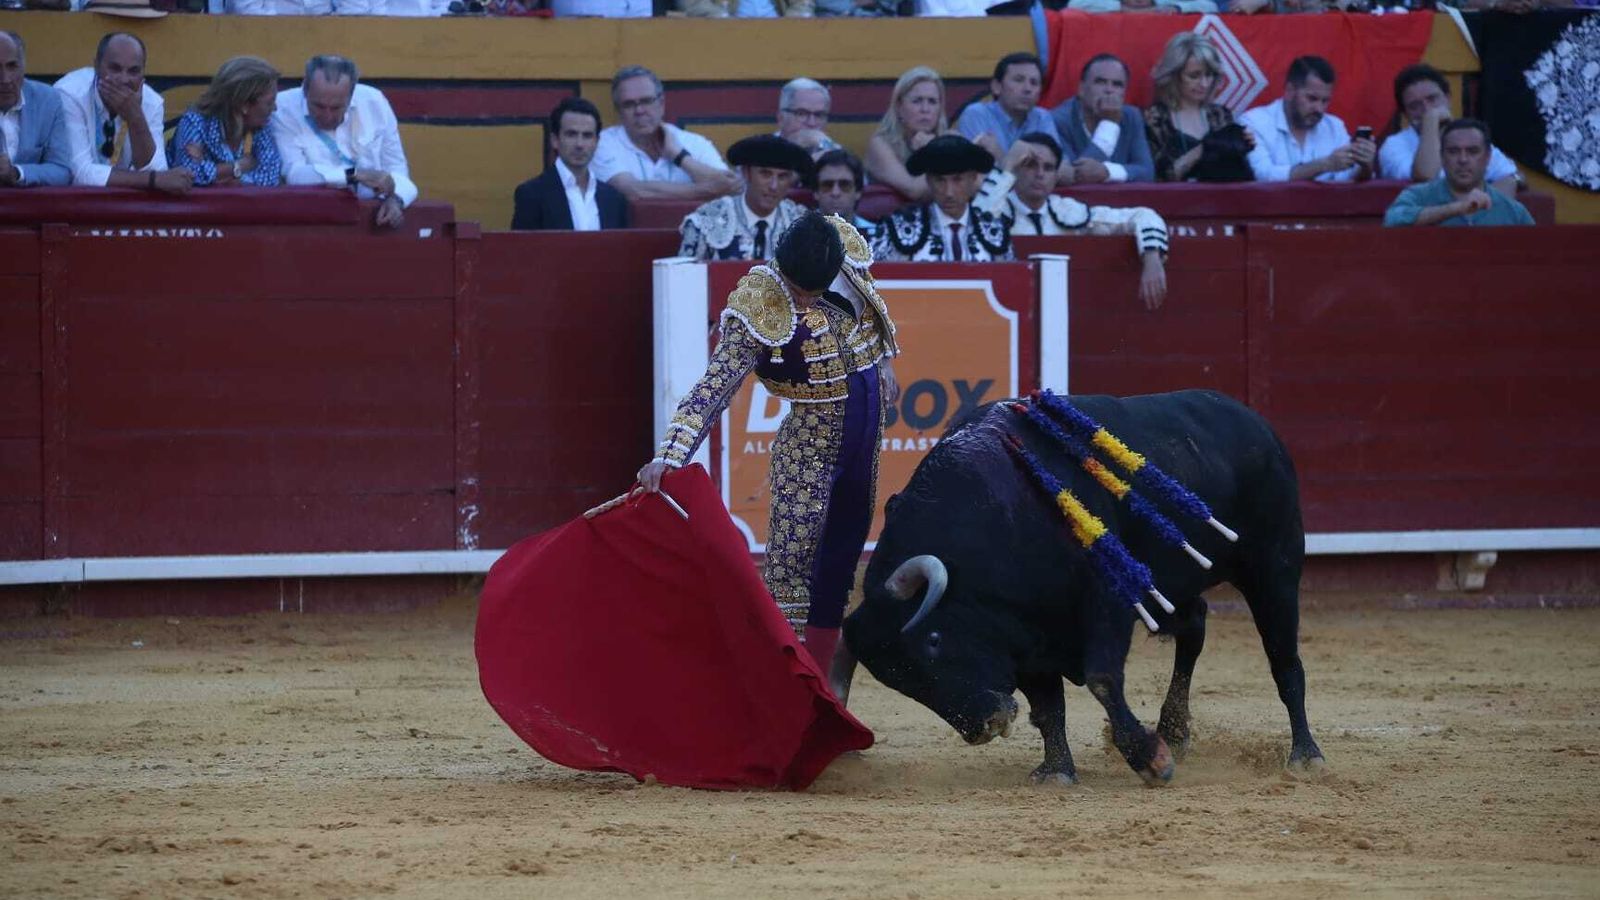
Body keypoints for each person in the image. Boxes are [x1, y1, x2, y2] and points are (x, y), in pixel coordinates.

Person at [637, 212, 901, 676]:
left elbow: (872, 315)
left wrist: (883, 360)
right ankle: (781, 691)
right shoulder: (758, 303)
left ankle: (825, 692)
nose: (805, 301)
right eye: (799, 290)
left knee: (840, 565)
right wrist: (670, 454)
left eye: (814, 291)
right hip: (809, 447)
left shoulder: (844, 248)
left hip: (865, 439)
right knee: (790, 568)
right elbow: (714, 387)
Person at [975, 132, 1169, 309]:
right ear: (1016, 169)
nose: (1040, 174)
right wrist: (1007, 166)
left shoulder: (1069, 212)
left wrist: (1151, 256)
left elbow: (1144, 215)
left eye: (1048, 168)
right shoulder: (997, 206)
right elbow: (976, 221)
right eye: (1030, 165)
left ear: (1056, 176)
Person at [272, 55, 415, 227]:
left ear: (352, 95)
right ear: (305, 90)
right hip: (309, 221)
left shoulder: (374, 102)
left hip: (371, 220)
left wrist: (395, 199)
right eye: (318, 106)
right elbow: (294, 174)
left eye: (336, 107)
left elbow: (397, 169)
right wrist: (354, 174)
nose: (327, 115)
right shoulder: (282, 108)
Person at [54, 33, 188, 194]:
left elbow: (156, 168)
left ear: (143, 73)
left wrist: (135, 117)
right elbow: (79, 173)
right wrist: (152, 180)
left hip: (126, 209)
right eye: (115, 69)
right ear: (96, 66)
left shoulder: (152, 102)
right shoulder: (70, 94)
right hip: (76, 206)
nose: (124, 80)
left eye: (134, 71)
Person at [591, 65, 741, 203]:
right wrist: (707, 190)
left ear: (661, 104)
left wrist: (680, 157)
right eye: (629, 104)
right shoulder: (604, 142)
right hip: (630, 231)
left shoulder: (693, 142)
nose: (639, 111)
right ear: (618, 111)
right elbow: (633, 191)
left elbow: (731, 186)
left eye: (646, 101)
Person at [1378, 64, 1519, 197]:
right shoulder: (1394, 145)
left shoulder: (1469, 135)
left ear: (1448, 98)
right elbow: (1426, 175)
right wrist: (1431, 121)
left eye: (1432, 99)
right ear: (1405, 114)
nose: (1426, 109)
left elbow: (1509, 175)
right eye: (1415, 105)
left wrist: (1479, 213)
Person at [873, 134, 1012, 262]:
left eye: (957, 180)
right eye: (940, 180)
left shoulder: (997, 232)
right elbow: (870, 281)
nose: (949, 192)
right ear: (928, 180)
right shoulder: (898, 228)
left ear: (973, 178)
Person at [1238, 56, 1374, 184]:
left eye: (1325, 101)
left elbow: (1347, 179)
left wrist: (1365, 167)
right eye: (1312, 99)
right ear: (1289, 90)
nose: (1319, 109)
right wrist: (1324, 165)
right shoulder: (1254, 122)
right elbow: (1263, 175)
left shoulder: (1334, 126)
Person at [1142, 32, 1254, 183]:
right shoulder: (1155, 117)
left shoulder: (1220, 114)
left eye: (1209, 75)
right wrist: (1206, 148)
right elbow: (1159, 176)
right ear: (1173, 76)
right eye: (1194, 76)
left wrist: (1240, 144)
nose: (1204, 84)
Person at [678, 134, 812, 260]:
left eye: (782, 177)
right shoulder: (706, 222)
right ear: (746, 173)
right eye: (765, 174)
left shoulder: (803, 225)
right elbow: (684, 277)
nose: (774, 186)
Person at [1383, 119, 1535, 228]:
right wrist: (1457, 209)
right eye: (1453, 151)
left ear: (1488, 157)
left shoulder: (1513, 211)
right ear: (1442, 157)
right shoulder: (1417, 196)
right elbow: (1392, 220)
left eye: (1473, 151)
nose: (1463, 159)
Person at [511, 96, 629, 231]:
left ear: (596, 142)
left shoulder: (614, 199)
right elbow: (523, 249)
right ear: (555, 140)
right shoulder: (531, 194)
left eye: (587, 136)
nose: (579, 144)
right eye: (571, 134)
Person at [174, 56, 283, 188]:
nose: (275, 108)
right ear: (244, 105)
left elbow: (269, 180)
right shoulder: (196, 122)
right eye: (270, 102)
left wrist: (217, 174)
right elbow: (188, 175)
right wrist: (239, 167)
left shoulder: (261, 128)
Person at [1050, 54, 1156, 184]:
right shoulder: (1057, 121)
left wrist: (1107, 172)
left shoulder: (1131, 116)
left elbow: (1147, 172)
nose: (1109, 90)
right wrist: (1110, 125)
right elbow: (1077, 174)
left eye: (1117, 84)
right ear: (1081, 89)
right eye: (1100, 82)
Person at [956, 52, 1063, 163]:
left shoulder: (1042, 117)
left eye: (1034, 83)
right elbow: (978, 173)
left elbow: (1055, 169)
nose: (1027, 89)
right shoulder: (976, 114)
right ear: (996, 86)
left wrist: (1000, 156)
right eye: (1019, 80)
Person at [864, 66, 950, 202]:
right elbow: (914, 190)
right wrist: (929, 152)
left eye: (932, 101)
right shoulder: (880, 143)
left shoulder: (949, 140)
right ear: (899, 106)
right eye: (917, 101)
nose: (925, 109)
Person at [0, 31, 72, 189]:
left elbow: (61, 171)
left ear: (24, 67)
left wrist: (16, 173)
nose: (5, 79)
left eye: (12, 66)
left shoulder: (47, 100)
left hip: (29, 210)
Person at [813, 148, 875, 237]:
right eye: (827, 185)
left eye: (844, 185)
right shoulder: (797, 235)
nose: (835, 193)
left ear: (858, 192)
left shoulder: (877, 236)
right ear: (816, 192)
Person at [774, 77, 840, 159]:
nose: (811, 123)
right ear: (781, 118)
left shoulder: (832, 150)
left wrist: (825, 147)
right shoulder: (762, 150)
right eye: (801, 114)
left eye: (819, 115)